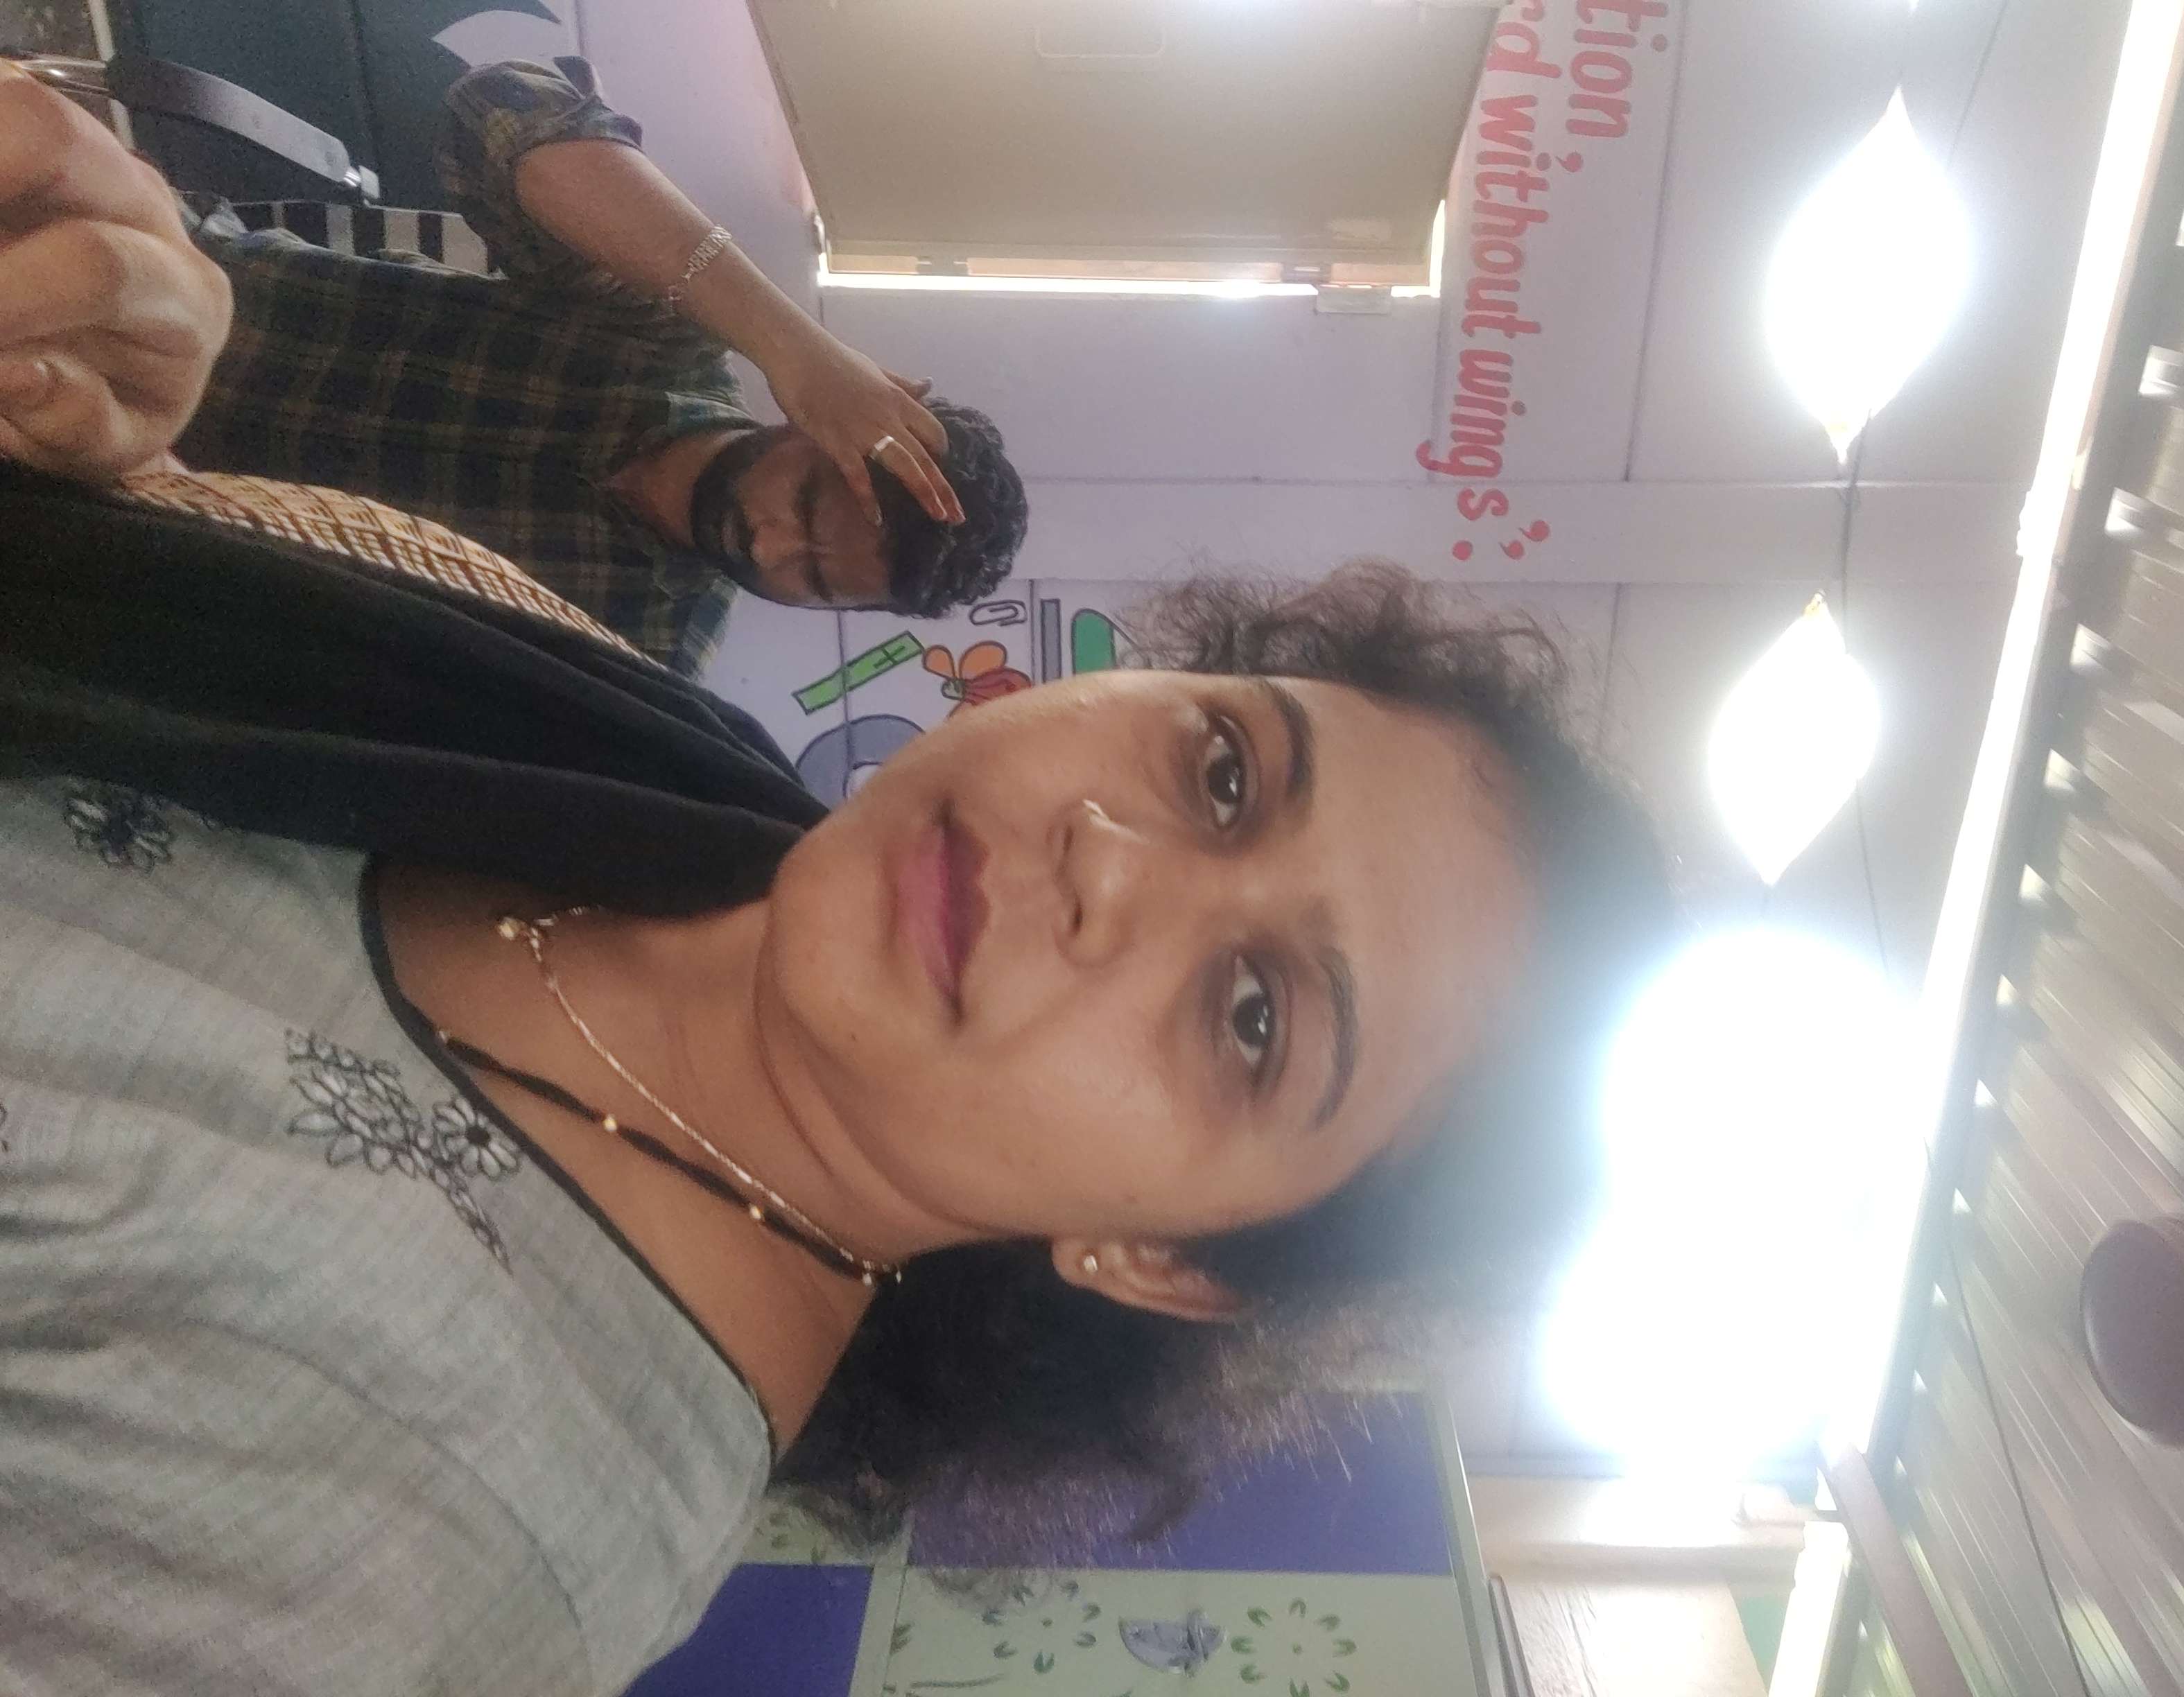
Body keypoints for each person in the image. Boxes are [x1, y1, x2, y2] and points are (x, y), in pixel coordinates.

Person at [0, 71, 1676, 1696]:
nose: (1111, 862)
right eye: (1224, 771)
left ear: (1165, 1258)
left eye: (1253, 1016)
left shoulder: (434, 1537)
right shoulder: (593, 716)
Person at [172, 57, 1030, 673]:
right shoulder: (659, 337)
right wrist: (792, 343)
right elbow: (498, 108)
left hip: (139, 528)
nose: (768, 545)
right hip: (168, 288)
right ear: (816, 421)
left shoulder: (639, 654)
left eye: (812, 577)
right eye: (805, 502)